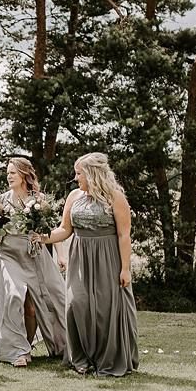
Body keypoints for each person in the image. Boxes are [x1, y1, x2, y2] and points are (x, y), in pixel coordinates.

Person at [42, 152, 139, 376]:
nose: (76, 178)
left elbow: (124, 235)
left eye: (79, 174)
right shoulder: (74, 196)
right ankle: (81, 357)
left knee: (105, 308)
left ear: (92, 174)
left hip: (107, 257)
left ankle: (107, 358)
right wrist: (42, 237)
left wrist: (125, 269)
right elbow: (65, 229)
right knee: (77, 303)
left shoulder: (115, 197)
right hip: (80, 256)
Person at [0, 157, 67, 367]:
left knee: (42, 304)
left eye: (13, 173)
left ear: (24, 174)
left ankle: (32, 346)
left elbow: (50, 230)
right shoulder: (1, 200)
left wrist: (60, 254)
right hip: (9, 255)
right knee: (14, 296)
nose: (9, 176)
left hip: (35, 254)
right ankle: (18, 351)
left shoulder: (39, 199)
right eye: (7, 173)